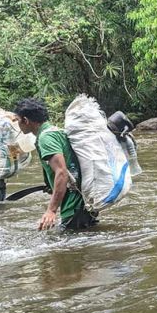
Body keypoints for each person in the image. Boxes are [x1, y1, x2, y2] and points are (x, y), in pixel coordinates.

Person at [13, 98, 97, 231]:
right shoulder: (56, 131)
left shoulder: (46, 138)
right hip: (83, 202)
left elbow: (62, 172)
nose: (17, 124)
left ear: (26, 120)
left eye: (17, 120)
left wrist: (51, 210)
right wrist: (51, 186)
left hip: (73, 205)